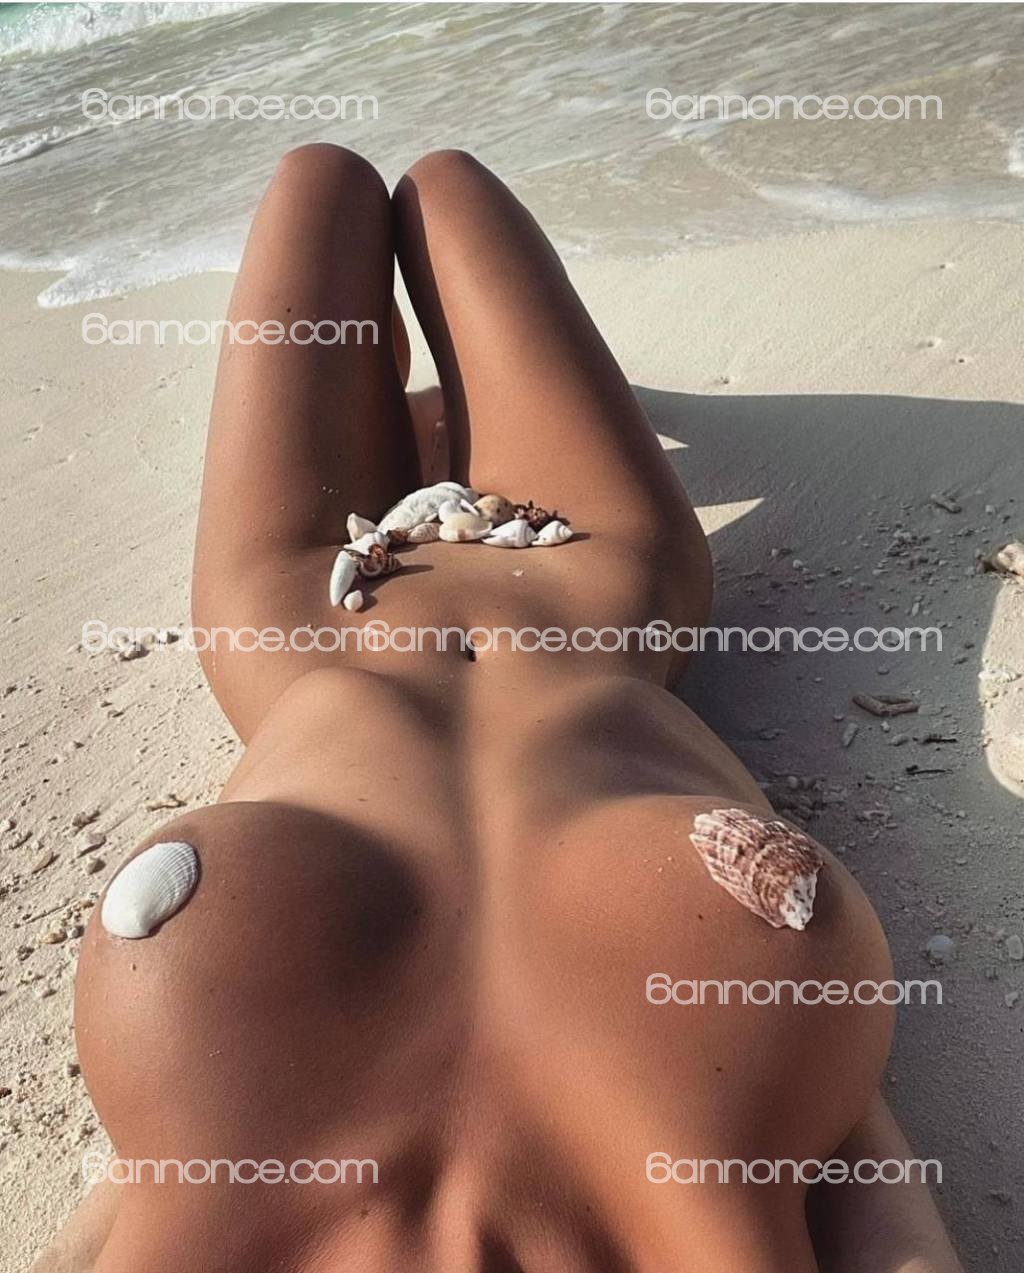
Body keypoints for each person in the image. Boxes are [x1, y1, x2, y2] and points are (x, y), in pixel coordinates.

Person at [35, 146, 963, 1273]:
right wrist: (820, 1072)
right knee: (447, 190)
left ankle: (422, 426)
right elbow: (866, 1167)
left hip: (301, 609)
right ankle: (436, 429)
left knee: (321, 182)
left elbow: (137, 1181)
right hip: (589, 576)